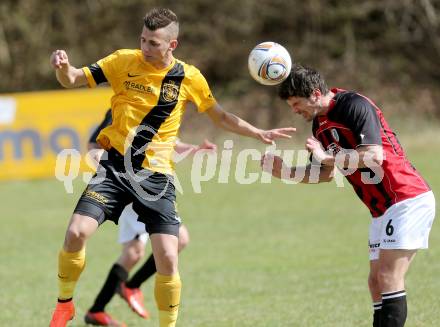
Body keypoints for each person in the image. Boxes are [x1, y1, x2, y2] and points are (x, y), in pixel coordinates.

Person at [49, 8, 295, 327]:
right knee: (75, 232)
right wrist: (64, 68)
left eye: (153, 43)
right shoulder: (123, 60)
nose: (145, 48)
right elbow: (72, 80)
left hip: (156, 176)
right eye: (143, 40)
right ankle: (64, 304)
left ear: (172, 45)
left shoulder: (188, 77)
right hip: (115, 169)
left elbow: (219, 116)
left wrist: (257, 132)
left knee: (168, 255)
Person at [261, 64, 436, 327]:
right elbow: (324, 173)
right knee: (376, 281)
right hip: (381, 209)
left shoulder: (354, 105)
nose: (295, 110)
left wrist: (327, 157)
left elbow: (374, 156)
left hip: (406, 198)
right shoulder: (318, 125)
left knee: (389, 276)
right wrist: (285, 171)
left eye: (297, 103)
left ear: (316, 93)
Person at [84, 109, 216, 327]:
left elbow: (169, 145)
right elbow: (94, 145)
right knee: (178, 239)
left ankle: (98, 310)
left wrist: (195, 149)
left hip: (151, 186)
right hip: (130, 185)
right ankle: (128, 288)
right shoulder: (128, 102)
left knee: (134, 252)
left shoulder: (163, 105)